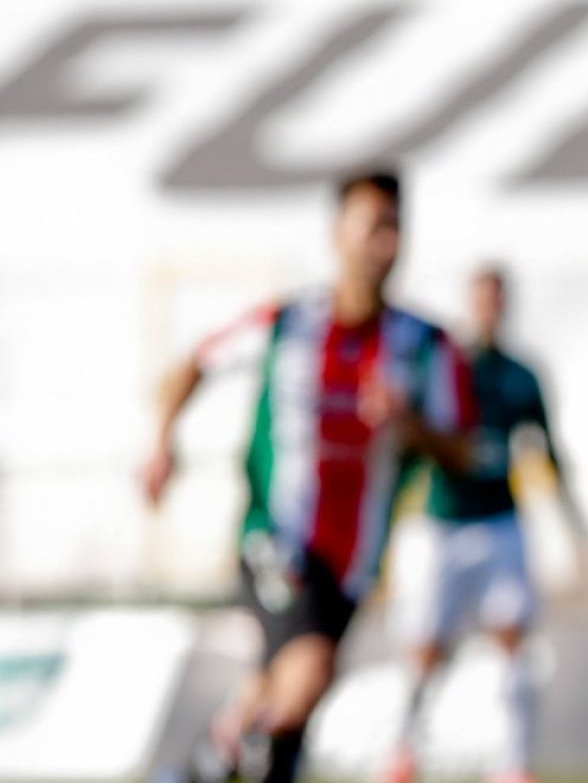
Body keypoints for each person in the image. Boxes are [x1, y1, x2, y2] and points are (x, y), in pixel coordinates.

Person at [142, 170, 476, 783]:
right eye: (374, 226)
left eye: (395, 229)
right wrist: (162, 442)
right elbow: (191, 365)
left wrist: (410, 424)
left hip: (350, 565)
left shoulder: (427, 345)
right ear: (338, 234)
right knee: (309, 670)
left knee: (279, 708)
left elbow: (464, 451)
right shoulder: (285, 325)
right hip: (274, 537)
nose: (385, 244)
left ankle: (199, 768)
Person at [384, 265, 588, 783]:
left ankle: (514, 765)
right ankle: (402, 753)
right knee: (427, 649)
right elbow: (410, 448)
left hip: (501, 522)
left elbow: (548, 452)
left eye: (496, 299)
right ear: (469, 303)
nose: (488, 309)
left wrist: (575, 528)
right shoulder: (443, 367)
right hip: (443, 523)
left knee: (514, 644)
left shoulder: (522, 376)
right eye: (480, 299)